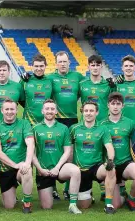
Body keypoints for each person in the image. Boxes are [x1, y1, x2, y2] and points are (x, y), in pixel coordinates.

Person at [32, 100, 82, 214]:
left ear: (56, 111)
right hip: (43, 170)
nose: (50, 111)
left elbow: (67, 151)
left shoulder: (63, 128)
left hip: (60, 169)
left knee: (75, 170)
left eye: (52, 109)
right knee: (46, 207)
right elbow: (32, 153)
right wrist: (40, 169)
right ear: (42, 111)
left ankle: (73, 205)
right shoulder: (35, 128)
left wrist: (57, 167)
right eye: (47, 109)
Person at [47, 51, 84, 200]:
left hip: (72, 120)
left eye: (65, 61)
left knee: (71, 155)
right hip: (56, 120)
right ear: (56, 64)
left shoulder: (77, 77)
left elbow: (83, 92)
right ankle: (53, 187)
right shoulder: (50, 78)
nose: (62, 64)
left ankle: (68, 188)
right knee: (53, 153)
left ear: (70, 63)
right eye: (60, 61)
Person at [69, 102, 116, 214]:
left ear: (97, 112)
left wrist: (110, 160)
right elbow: (69, 151)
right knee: (84, 205)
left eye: (91, 111)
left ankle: (108, 204)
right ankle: (89, 195)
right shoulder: (74, 128)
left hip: (96, 167)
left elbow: (109, 147)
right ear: (82, 112)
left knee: (111, 169)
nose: (88, 113)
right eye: (86, 111)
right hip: (80, 170)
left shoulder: (102, 129)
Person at [100, 93, 135, 211]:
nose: (115, 106)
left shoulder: (130, 123)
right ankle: (120, 190)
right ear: (108, 105)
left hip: (125, 163)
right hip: (110, 165)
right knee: (116, 205)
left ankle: (131, 198)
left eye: (118, 104)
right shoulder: (101, 124)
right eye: (113, 104)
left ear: (122, 106)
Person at [0, 99, 35, 213]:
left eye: (12, 109)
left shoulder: (24, 124)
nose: (9, 112)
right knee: (9, 206)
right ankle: (13, 194)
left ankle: (27, 203)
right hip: (6, 169)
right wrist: (15, 165)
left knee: (27, 170)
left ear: (17, 110)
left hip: (21, 167)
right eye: (7, 109)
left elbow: (30, 144)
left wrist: (27, 163)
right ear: (1, 110)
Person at [112, 55, 135, 125]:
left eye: (131, 66)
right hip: (121, 125)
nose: (128, 68)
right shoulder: (117, 85)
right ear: (122, 68)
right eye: (126, 66)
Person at [79, 55, 116, 122]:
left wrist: (115, 86)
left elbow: (117, 102)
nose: (95, 68)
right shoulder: (82, 84)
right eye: (93, 65)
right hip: (86, 123)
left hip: (103, 123)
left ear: (101, 67)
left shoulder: (108, 84)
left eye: (97, 65)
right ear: (88, 67)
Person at [21, 53, 53, 126]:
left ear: (45, 66)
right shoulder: (25, 80)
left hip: (46, 123)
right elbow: (20, 99)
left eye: (41, 66)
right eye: (36, 66)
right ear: (32, 66)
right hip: (28, 122)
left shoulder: (50, 81)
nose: (39, 69)